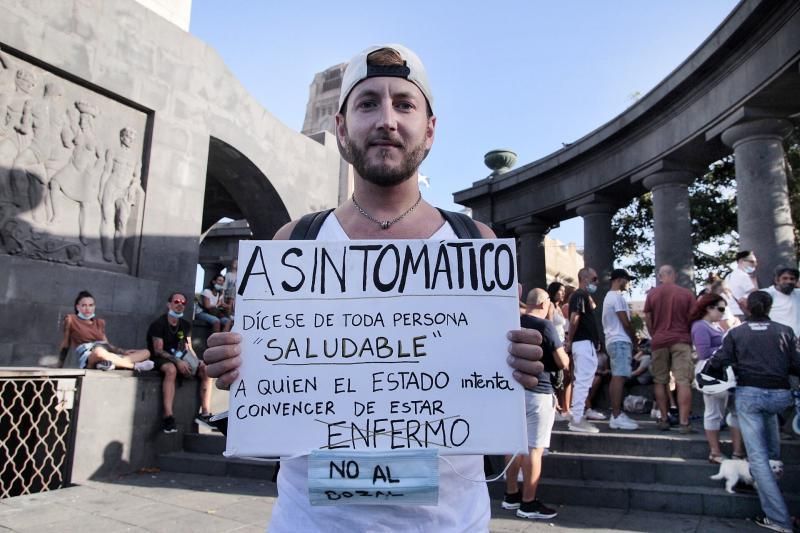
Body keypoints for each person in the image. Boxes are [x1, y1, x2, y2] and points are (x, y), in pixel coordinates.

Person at [203, 44, 544, 532]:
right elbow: (261, 375)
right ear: (341, 128)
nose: (387, 120)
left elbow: (493, 371)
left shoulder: (475, 244)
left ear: (430, 128)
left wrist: (521, 362)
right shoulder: (294, 243)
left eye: (404, 104)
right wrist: (236, 361)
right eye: (368, 104)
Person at [709, 291, 800, 533]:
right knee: (771, 450)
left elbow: (718, 361)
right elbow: (796, 364)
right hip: (779, 395)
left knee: (758, 459)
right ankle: (770, 481)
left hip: (749, 393)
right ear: (770, 306)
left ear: (747, 307)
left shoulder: (737, 333)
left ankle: (779, 519)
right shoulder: (785, 331)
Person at [502, 289, 568, 520]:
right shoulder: (546, 326)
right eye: (549, 301)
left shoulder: (512, 321)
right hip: (539, 391)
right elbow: (562, 361)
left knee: (512, 444)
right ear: (543, 303)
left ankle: (511, 495)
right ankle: (528, 503)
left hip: (512, 390)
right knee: (534, 449)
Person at [146, 291, 214, 434]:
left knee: (206, 369)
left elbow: (188, 346)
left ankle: (205, 413)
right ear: (169, 304)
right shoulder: (158, 324)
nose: (180, 305)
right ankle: (168, 417)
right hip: (160, 358)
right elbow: (158, 350)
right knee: (171, 370)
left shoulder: (185, 325)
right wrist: (177, 361)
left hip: (180, 356)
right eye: (176, 302)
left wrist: (196, 362)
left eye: (183, 303)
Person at [689, 293, 744, 463]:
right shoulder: (700, 326)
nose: (723, 312)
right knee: (714, 412)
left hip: (723, 373)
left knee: (732, 412)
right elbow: (703, 353)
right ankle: (715, 452)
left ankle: (736, 452)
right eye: (720, 308)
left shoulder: (714, 326)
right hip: (712, 373)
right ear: (708, 308)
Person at [644, 265, 695, 433]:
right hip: (681, 339)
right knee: (683, 381)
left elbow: (648, 317)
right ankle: (684, 422)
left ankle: (664, 418)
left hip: (659, 340)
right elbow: (692, 318)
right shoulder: (686, 294)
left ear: (660, 276)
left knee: (660, 380)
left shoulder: (652, 294)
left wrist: (655, 334)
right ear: (674, 275)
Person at [58, 290, 152, 371]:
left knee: (146, 352)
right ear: (77, 307)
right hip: (89, 355)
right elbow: (65, 344)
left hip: (106, 352)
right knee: (99, 352)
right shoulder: (71, 319)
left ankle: (109, 364)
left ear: (94, 307)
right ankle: (134, 366)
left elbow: (106, 344)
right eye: (84, 305)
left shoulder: (99, 322)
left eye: (91, 305)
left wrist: (123, 351)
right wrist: (60, 364)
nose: (88, 308)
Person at [601, 268, 639, 430]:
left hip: (614, 340)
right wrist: (634, 339)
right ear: (619, 280)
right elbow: (625, 322)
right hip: (619, 340)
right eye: (627, 279)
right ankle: (616, 415)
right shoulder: (616, 297)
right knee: (619, 377)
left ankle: (616, 414)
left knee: (618, 376)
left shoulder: (610, 297)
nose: (628, 283)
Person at [565, 267, 602, 433]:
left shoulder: (583, 296)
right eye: (594, 279)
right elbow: (575, 318)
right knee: (582, 382)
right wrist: (570, 340)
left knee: (584, 381)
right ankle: (577, 418)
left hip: (585, 344)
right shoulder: (579, 295)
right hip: (583, 343)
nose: (597, 282)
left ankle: (578, 416)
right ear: (585, 279)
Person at [764, 266, 800, 336]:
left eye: (792, 279)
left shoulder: (798, 293)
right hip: (776, 339)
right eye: (785, 278)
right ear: (777, 280)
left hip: (796, 340)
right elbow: (744, 301)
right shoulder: (767, 293)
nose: (789, 281)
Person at [725, 251, 759, 320]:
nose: (755, 264)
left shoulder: (729, 276)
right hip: (741, 313)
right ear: (741, 261)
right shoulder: (743, 276)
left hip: (729, 313)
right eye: (751, 262)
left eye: (755, 262)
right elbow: (755, 294)